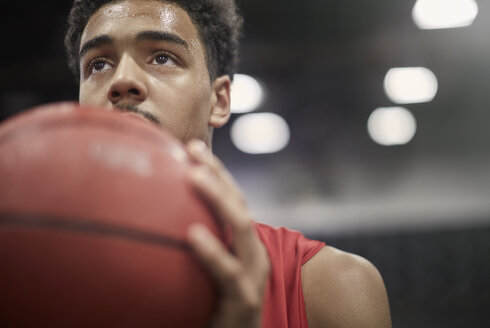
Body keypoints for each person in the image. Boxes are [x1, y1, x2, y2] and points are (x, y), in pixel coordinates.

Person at [64, 0, 392, 327]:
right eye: (99, 65)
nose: (121, 80)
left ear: (219, 101)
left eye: (162, 57)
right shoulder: (32, 282)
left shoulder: (332, 286)